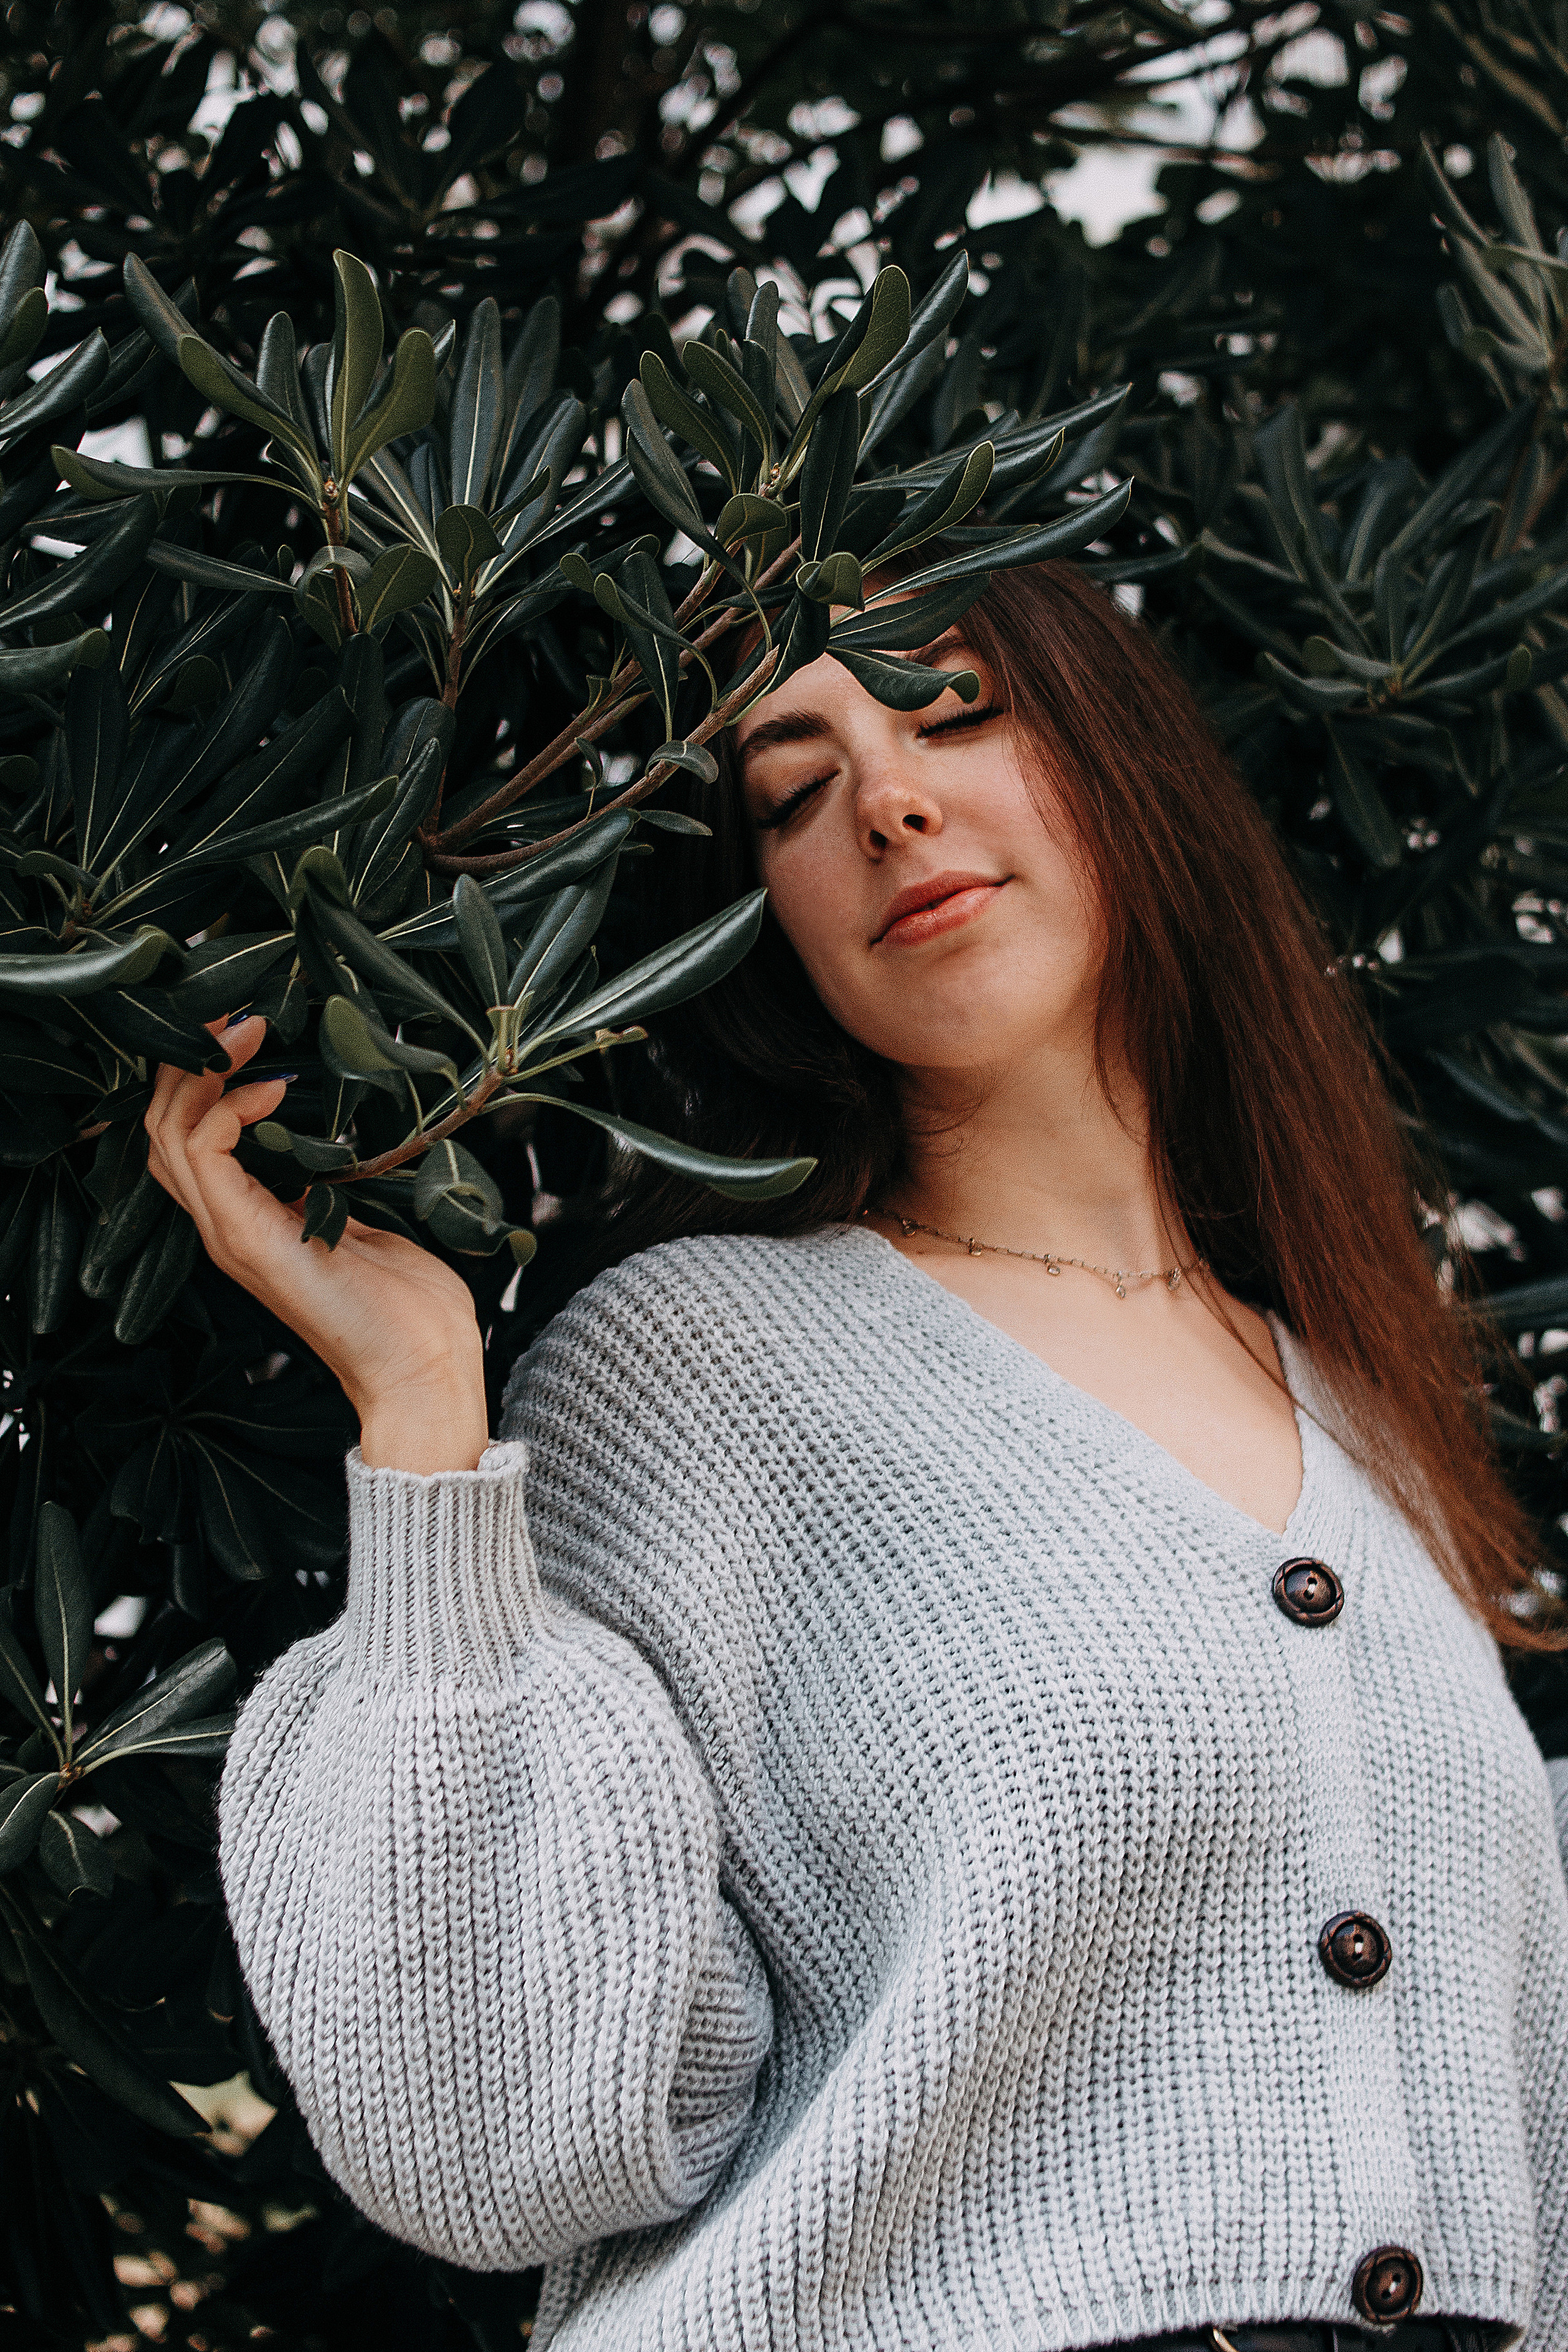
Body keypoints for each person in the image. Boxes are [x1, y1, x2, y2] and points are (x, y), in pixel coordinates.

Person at [146, 559, 1568, 2352]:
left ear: (1127, 764)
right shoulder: (700, 1365)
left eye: (953, 710)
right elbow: (489, 2142)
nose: (890, 802)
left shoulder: (1376, 1426)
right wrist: (426, 1415)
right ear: (759, 919)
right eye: (795, 792)